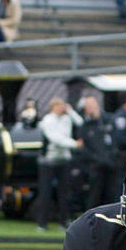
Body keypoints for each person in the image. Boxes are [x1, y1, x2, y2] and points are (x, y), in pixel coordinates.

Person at [35, 97, 84, 231]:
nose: (62, 108)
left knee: (65, 192)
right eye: (60, 105)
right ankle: (42, 223)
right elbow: (56, 139)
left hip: (64, 159)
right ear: (53, 107)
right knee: (46, 192)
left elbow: (80, 122)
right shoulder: (47, 120)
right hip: (48, 160)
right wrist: (74, 144)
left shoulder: (67, 118)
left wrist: (71, 111)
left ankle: (64, 222)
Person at [75, 94, 119, 211]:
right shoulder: (84, 126)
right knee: (94, 197)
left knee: (111, 196)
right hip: (95, 167)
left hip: (111, 165)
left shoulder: (109, 121)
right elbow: (82, 148)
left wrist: (112, 157)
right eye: (87, 106)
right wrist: (94, 159)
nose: (90, 108)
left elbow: (116, 141)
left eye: (91, 105)